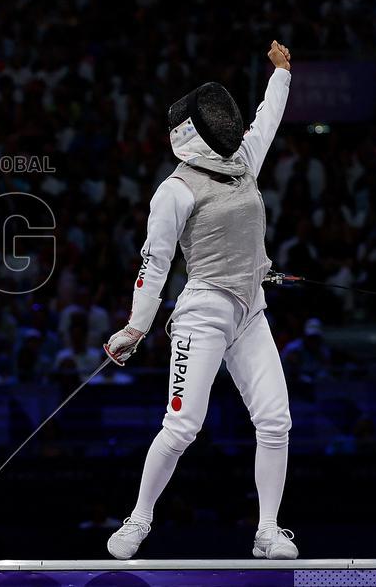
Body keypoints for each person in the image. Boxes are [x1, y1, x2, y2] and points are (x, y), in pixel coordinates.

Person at [103, 41, 297, 560]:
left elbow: (266, 122)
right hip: (203, 314)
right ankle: (139, 518)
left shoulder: (243, 163)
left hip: (251, 311)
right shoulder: (174, 191)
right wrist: (136, 329)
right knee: (183, 426)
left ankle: (268, 531)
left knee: (276, 420)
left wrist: (281, 75)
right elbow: (155, 263)